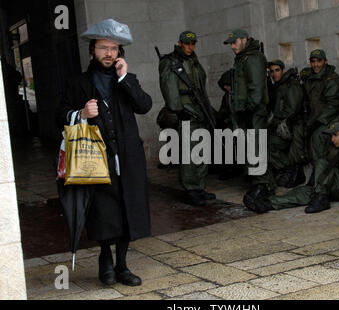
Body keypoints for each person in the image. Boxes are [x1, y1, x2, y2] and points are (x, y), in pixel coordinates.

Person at [57, 19, 152, 286]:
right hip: (96, 160)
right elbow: (59, 115)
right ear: (92, 50)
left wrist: (124, 78)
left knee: (126, 210)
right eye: (103, 48)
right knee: (104, 212)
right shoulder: (78, 82)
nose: (109, 53)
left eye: (114, 48)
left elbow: (144, 106)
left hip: (128, 158)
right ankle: (105, 259)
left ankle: (122, 265)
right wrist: (81, 114)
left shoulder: (126, 80)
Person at [245, 122, 339, 214]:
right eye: (331, 136)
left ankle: (320, 196)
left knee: (321, 163)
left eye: (336, 135)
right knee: (303, 193)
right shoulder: (334, 147)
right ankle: (267, 204)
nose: (332, 139)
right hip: (328, 186)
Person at [158, 31, 216, 206]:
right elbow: (169, 87)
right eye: (187, 43)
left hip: (199, 110)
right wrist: (177, 109)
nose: (190, 47)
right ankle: (191, 189)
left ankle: (199, 187)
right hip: (186, 111)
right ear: (180, 43)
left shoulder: (193, 61)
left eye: (193, 43)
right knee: (189, 153)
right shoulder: (170, 62)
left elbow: (201, 88)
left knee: (201, 150)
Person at [223, 29, 276, 203]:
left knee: (256, 147)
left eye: (234, 42)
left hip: (253, 111)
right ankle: (261, 182)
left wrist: (249, 109)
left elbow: (256, 88)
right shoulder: (244, 57)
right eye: (231, 43)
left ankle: (263, 184)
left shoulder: (252, 57)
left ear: (244, 40)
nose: (232, 46)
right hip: (247, 110)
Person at [266, 59, 306, 188]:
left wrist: (276, 119)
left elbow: (292, 110)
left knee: (269, 145)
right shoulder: (279, 86)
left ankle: (288, 169)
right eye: (272, 71)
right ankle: (284, 169)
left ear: (282, 71)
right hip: (282, 125)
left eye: (277, 70)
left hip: (292, 125)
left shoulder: (291, 85)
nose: (274, 74)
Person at [303, 49, 339, 163]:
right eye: (313, 61)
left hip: (331, 118)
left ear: (325, 61)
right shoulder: (310, 78)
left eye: (319, 61)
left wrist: (318, 122)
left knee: (317, 136)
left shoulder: (333, 80)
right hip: (315, 117)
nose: (316, 65)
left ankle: (320, 171)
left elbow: (333, 105)